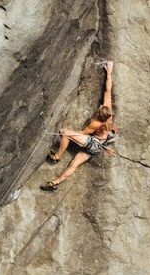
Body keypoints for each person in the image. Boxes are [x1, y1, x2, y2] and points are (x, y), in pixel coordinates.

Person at [40, 60, 118, 191]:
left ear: (100, 113)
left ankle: (56, 157)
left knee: (65, 133)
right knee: (73, 165)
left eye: (99, 109)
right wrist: (109, 72)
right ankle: (55, 183)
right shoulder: (108, 112)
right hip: (97, 148)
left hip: (93, 142)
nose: (100, 106)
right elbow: (108, 89)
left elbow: (82, 134)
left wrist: (66, 131)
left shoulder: (95, 124)